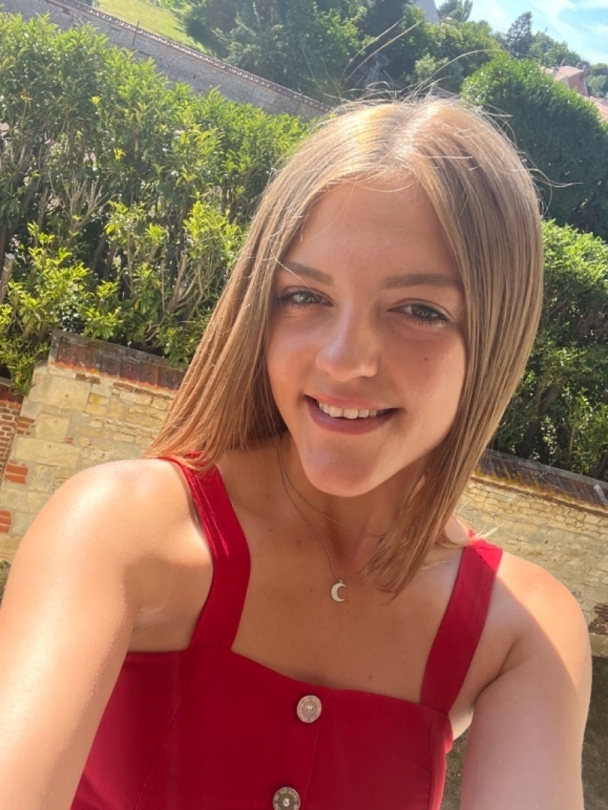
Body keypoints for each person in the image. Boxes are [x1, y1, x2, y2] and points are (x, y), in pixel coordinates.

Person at [0, 98, 591, 810]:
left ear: (494, 341)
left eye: (420, 311)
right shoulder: (117, 529)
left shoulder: (523, 632)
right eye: (306, 295)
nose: (343, 360)